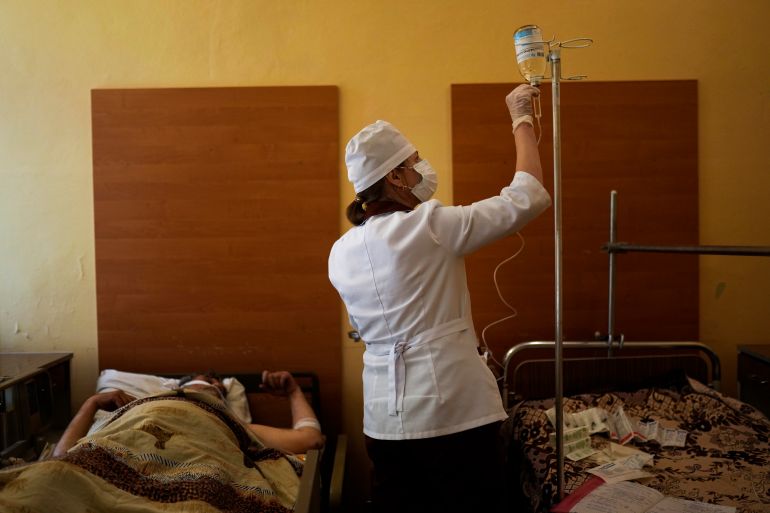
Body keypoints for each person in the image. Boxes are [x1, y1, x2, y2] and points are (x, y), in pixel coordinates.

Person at [327, 84, 551, 512]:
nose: (421, 170)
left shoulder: (340, 252)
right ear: (393, 176)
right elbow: (526, 197)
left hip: (383, 421)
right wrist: (520, 117)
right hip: (452, 413)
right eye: (413, 164)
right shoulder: (429, 225)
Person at [52, 370, 324, 458]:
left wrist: (294, 392)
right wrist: (92, 404)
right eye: (206, 380)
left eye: (217, 385)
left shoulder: (228, 424)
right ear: (178, 388)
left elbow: (311, 440)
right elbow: (61, 462)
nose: (213, 384)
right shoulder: (134, 410)